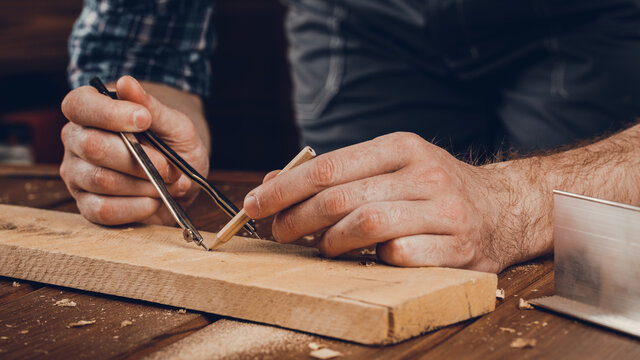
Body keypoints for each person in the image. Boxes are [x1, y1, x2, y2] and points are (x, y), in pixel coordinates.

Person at [60, 0, 640, 273]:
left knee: (588, 259)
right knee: (372, 251)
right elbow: (143, 40)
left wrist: (519, 204)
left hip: (590, 19)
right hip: (364, 21)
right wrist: (137, 135)